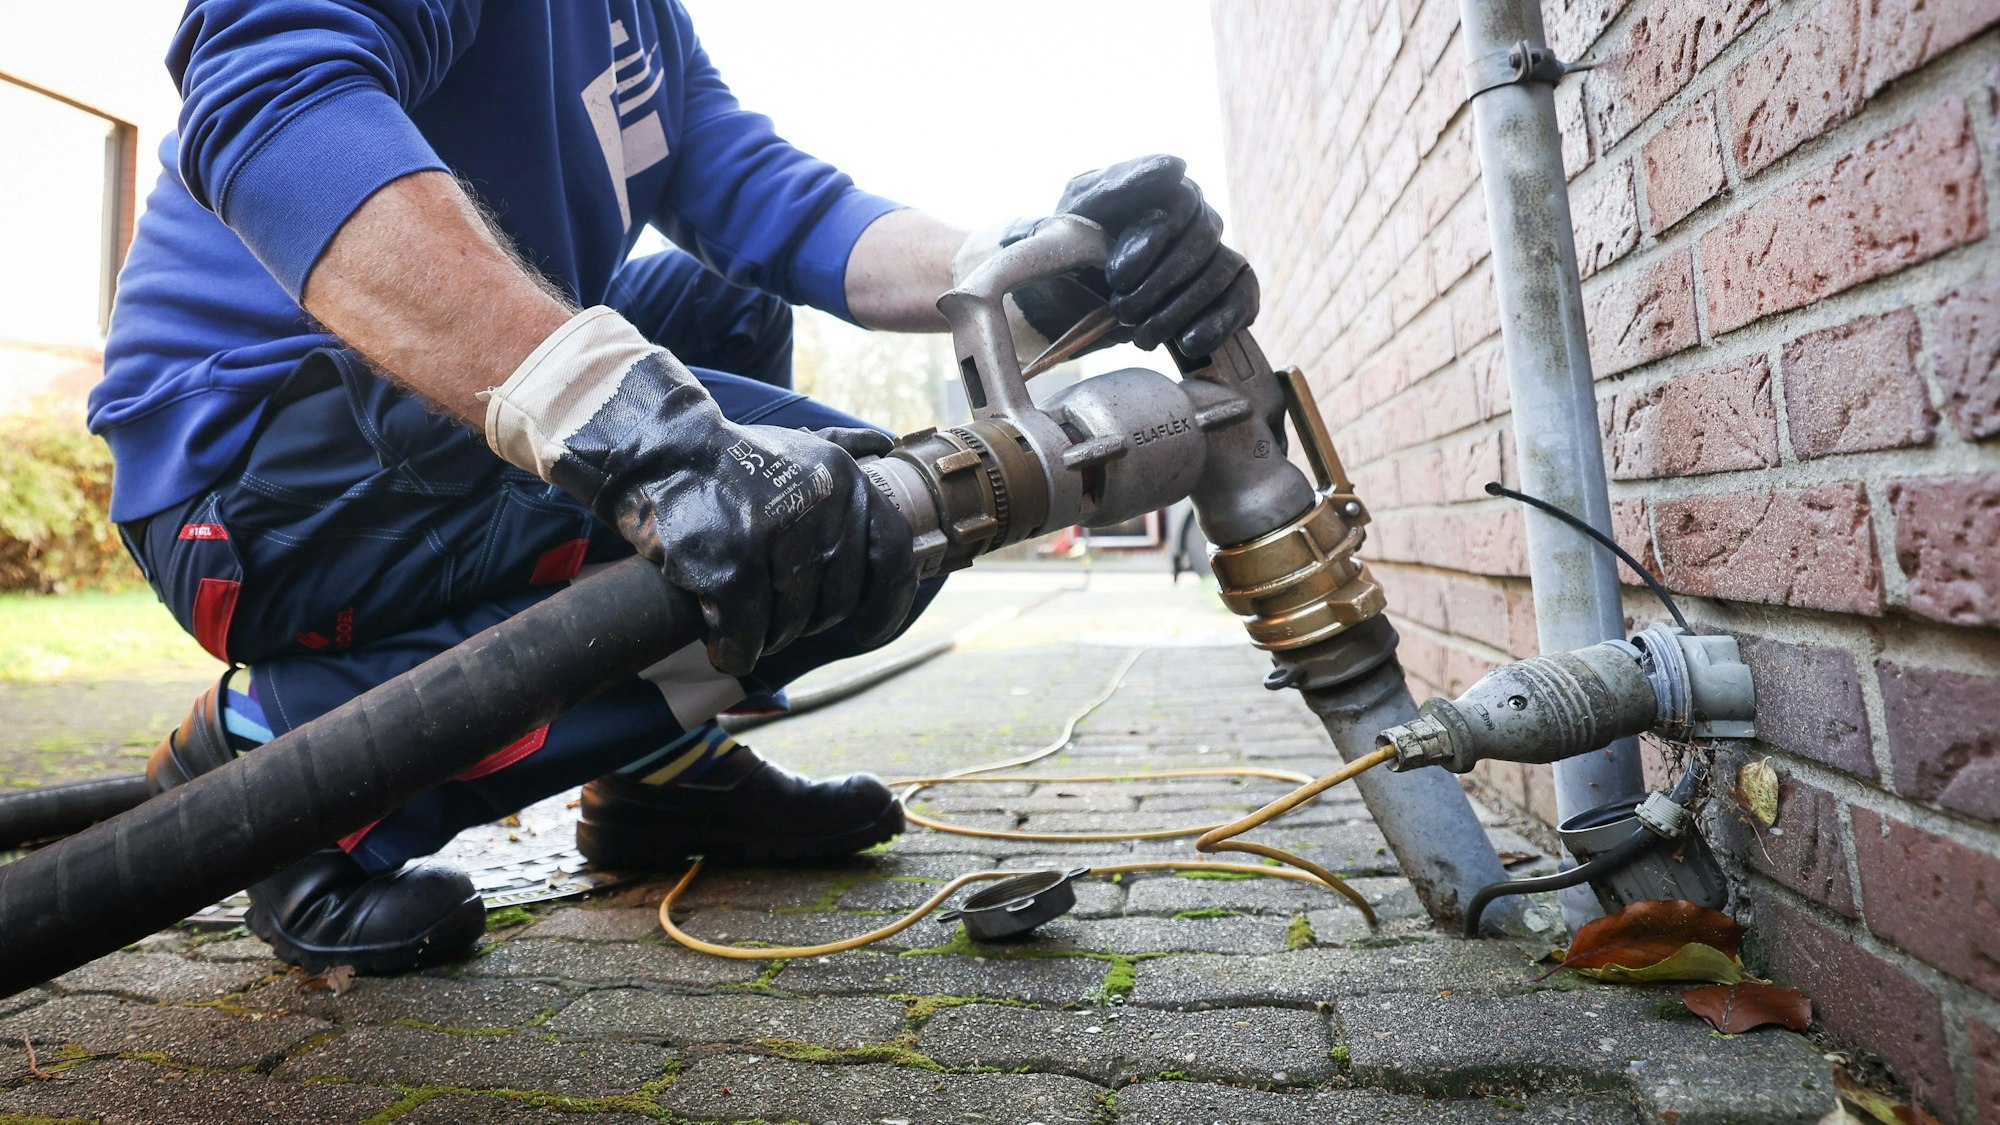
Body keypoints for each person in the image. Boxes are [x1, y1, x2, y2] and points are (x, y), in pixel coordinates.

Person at [92, 0, 1259, 974]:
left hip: (391, 432)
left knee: (737, 333)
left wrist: (1028, 270)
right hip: (247, 471)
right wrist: (620, 422)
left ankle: (663, 780)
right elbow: (271, 90)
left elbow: (772, 200)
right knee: (850, 525)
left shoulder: (636, 22)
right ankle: (286, 772)